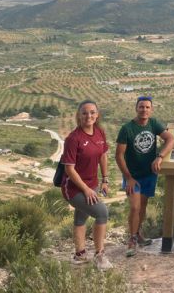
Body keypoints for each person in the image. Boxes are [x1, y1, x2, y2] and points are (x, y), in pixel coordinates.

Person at [116, 95, 174, 257]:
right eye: (141, 107)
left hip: (149, 174)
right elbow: (119, 155)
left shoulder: (153, 123)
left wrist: (160, 157)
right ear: (136, 108)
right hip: (132, 175)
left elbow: (171, 139)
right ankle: (132, 240)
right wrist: (128, 177)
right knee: (135, 207)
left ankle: (138, 234)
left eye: (147, 107)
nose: (144, 110)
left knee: (142, 207)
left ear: (151, 109)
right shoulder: (127, 129)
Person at [59, 100, 112, 270]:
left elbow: (103, 156)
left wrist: (105, 179)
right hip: (73, 188)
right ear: (79, 115)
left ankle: (80, 254)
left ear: (97, 114)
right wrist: (86, 189)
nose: (89, 116)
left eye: (92, 112)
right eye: (84, 113)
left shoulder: (100, 132)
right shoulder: (73, 139)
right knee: (102, 213)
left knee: (81, 217)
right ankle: (100, 255)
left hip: (92, 184)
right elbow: (69, 169)